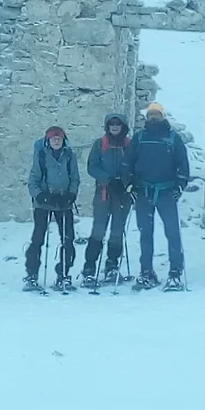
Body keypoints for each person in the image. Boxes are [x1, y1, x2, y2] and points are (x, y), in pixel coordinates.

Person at [125, 103, 190, 291]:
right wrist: (129, 184)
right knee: (145, 234)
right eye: (150, 114)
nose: (153, 117)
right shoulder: (139, 138)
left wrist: (180, 184)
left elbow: (182, 164)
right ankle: (146, 272)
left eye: (156, 114)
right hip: (143, 192)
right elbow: (127, 163)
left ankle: (175, 273)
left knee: (172, 233)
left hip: (166, 193)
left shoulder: (173, 138)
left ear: (162, 117)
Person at [24, 126, 81, 292]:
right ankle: (32, 275)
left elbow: (75, 178)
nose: (56, 141)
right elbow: (33, 180)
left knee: (68, 239)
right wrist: (40, 196)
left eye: (59, 138)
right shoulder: (41, 156)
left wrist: (71, 195)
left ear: (63, 140)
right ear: (47, 141)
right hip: (44, 202)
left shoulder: (69, 156)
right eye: (53, 138)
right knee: (38, 239)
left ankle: (63, 274)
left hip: (64, 202)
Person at [80, 113, 133, 287]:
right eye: (112, 124)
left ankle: (112, 266)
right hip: (104, 192)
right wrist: (108, 179)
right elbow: (92, 166)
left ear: (123, 126)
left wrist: (125, 182)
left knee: (117, 231)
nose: (115, 126)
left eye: (118, 124)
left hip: (123, 194)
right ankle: (89, 268)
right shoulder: (100, 144)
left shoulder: (130, 145)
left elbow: (135, 166)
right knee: (98, 230)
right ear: (107, 126)